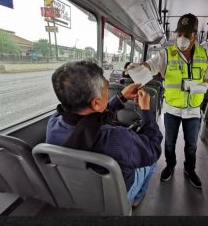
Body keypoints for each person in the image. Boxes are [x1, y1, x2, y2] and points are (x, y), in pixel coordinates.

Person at [46, 60, 163, 208]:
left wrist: (121, 97)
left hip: (77, 189)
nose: (108, 87)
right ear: (96, 103)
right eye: (106, 85)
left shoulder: (53, 123)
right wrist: (146, 111)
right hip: (115, 196)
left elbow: (92, 119)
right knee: (151, 163)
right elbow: (153, 148)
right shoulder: (117, 138)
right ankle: (135, 198)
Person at [126, 13, 208, 188]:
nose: (182, 38)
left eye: (187, 35)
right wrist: (138, 67)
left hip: (193, 109)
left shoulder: (203, 54)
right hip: (172, 108)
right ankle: (170, 165)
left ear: (194, 36)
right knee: (169, 142)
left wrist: (206, 85)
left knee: (191, 145)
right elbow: (150, 65)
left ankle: (189, 169)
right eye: (179, 34)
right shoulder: (166, 54)